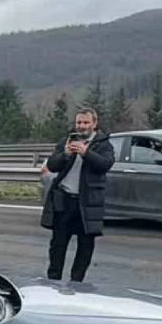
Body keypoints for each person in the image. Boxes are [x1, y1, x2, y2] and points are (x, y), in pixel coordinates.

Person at [41, 108, 116, 282]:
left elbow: (105, 165)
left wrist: (86, 153)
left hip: (87, 202)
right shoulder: (67, 141)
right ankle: (53, 281)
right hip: (65, 200)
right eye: (79, 122)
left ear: (94, 124)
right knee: (57, 244)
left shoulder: (103, 144)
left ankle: (77, 282)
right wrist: (65, 154)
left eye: (86, 122)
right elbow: (52, 165)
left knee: (85, 246)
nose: (82, 126)